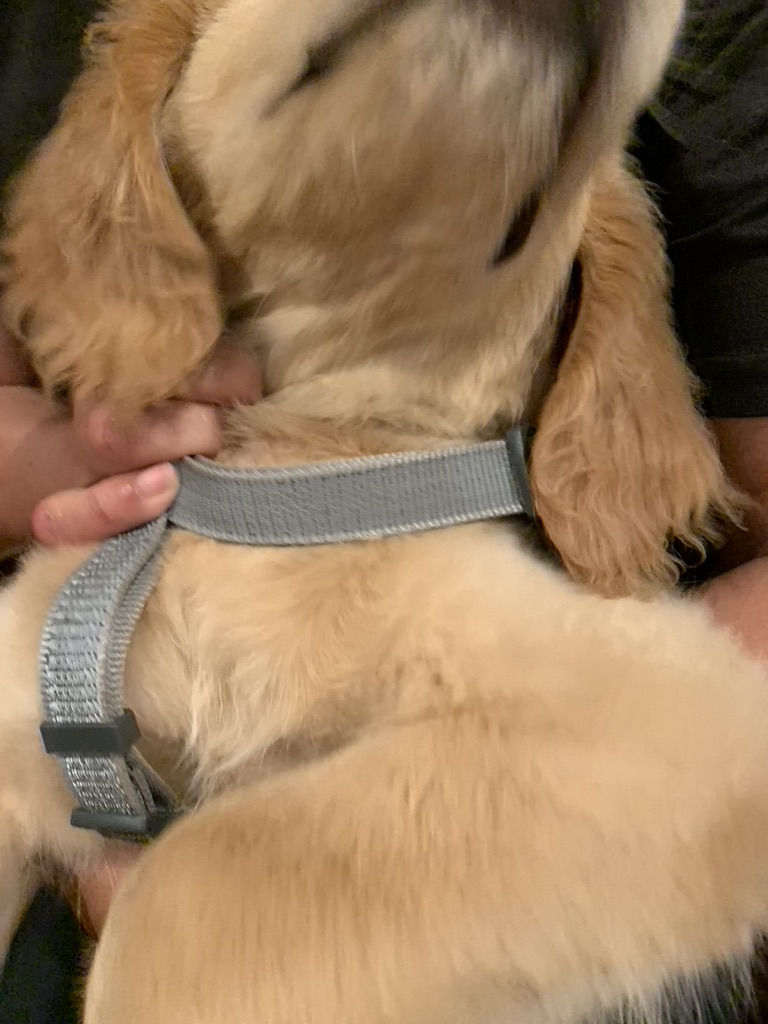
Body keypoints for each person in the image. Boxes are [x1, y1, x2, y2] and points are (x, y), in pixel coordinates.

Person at [1, 0, 768, 1020]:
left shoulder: (472, 614)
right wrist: (41, 447)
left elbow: (714, 732)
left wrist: (228, 913)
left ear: (584, 290)